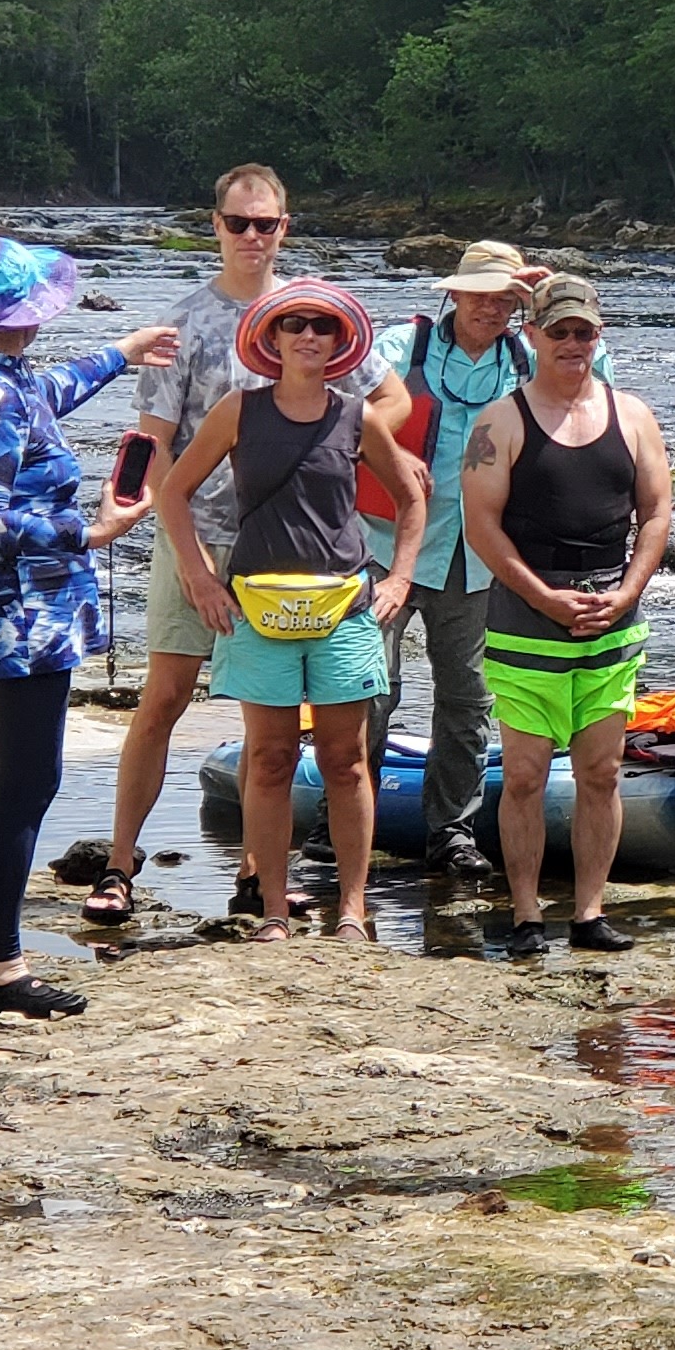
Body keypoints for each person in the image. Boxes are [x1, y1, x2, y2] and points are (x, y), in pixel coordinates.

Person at [94, 165, 404, 921]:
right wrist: (164, 539)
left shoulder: (313, 314)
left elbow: (386, 398)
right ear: (217, 226)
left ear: (285, 229)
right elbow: (154, 442)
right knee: (164, 697)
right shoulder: (187, 323)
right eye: (240, 223)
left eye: (267, 224)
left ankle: (257, 875)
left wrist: (336, 454)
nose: (254, 236)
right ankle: (119, 864)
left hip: (298, 552)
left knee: (273, 721)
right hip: (199, 538)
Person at [0, 237, 181, 1018]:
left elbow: (54, 392)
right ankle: (1, 968)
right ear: (27, 318)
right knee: (29, 786)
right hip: (21, 610)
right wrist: (91, 535)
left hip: (18, 608)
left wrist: (123, 350)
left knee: (5, 780)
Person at [152, 279, 427, 939]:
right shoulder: (238, 411)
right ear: (271, 339)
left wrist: (400, 581)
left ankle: (355, 912)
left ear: (339, 343)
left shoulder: (358, 415)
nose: (308, 335)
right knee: (271, 756)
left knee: (347, 759)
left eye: (322, 326)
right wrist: (199, 576)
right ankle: (273, 909)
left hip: (344, 607)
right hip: (258, 610)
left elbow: (414, 500)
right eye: (295, 324)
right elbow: (174, 492)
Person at [366, 242, 608, 885]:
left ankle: (451, 829)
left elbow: (594, 376)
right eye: (480, 295)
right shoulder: (402, 348)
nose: (490, 308)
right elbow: (348, 399)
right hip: (383, 548)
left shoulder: (527, 355)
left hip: (480, 561)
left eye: (505, 299)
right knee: (368, 693)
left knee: (468, 699)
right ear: (454, 294)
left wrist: (553, 292)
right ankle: (344, 823)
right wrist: (389, 451)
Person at [459, 272, 671, 951]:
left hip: (611, 619)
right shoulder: (499, 421)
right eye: (560, 333)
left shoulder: (633, 415)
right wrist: (542, 596)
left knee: (602, 772)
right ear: (533, 336)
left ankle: (588, 911)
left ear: (598, 336)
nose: (573, 344)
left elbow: (658, 511)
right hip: (527, 623)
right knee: (522, 774)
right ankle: (525, 913)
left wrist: (629, 590)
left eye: (584, 332)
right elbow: (480, 526)